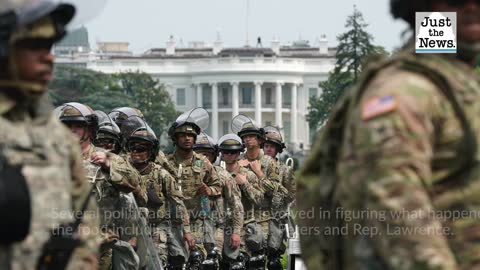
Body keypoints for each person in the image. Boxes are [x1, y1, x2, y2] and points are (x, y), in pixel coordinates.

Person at [298, 0, 480, 269]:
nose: (471, 7)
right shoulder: (407, 90)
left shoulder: (457, 83)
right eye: (455, 0)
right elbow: (395, 203)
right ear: (422, 6)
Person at [0, 1, 100, 269]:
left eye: (50, 46)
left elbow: (85, 222)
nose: (49, 57)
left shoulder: (57, 139)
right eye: (35, 46)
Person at [57, 102, 141, 270]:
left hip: (101, 247)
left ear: (89, 130)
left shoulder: (107, 158)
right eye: (67, 126)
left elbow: (134, 183)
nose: (72, 130)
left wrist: (109, 166)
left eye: (78, 126)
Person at [122, 115, 192, 268]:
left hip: (156, 227)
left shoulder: (162, 174)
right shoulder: (122, 172)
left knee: (157, 261)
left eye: (141, 149)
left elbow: (178, 204)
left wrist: (186, 232)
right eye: (132, 148)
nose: (136, 152)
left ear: (150, 152)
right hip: (128, 228)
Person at [166, 108, 222, 269]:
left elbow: (217, 184)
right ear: (175, 139)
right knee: (174, 262)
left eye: (190, 135)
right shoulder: (166, 162)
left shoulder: (203, 162)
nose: (187, 138)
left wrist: (209, 190)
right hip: (172, 221)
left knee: (195, 260)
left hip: (197, 219)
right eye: (183, 135)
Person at [193, 133, 244, 269]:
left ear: (213, 156)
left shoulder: (223, 175)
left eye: (206, 155)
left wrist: (236, 232)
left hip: (216, 228)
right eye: (198, 154)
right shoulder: (185, 176)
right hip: (192, 227)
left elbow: (236, 206)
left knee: (211, 262)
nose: (202, 159)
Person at [262, 126, 296, 270]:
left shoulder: (284, 170)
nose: (269, 149)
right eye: (266, 146)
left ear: (278, 149)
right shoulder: (254, 166)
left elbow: (292, 194)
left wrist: (278, 193)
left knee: (274, 261)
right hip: (256, 217)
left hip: (277, 218)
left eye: (272, 147)